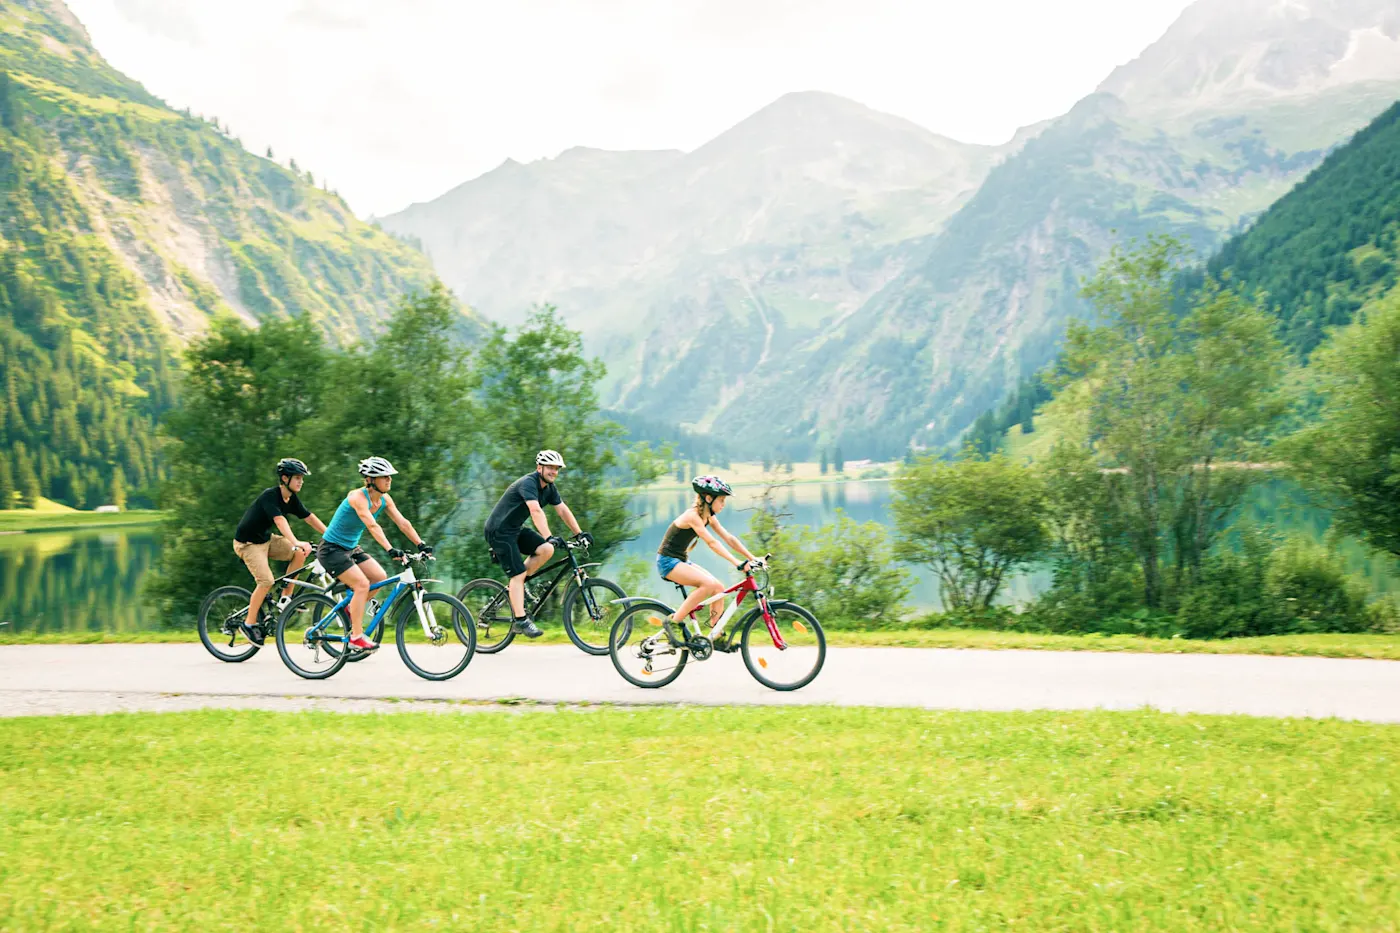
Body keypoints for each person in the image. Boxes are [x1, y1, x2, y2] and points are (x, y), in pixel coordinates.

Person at [317, 456, 429, 652]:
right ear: (370, 479)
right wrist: (390, 549)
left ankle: (350, 608)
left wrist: (421, 544)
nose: (389, 480)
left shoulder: (384, 499)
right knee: (361, 584)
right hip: (331, 549)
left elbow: (403, 523)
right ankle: (356, 637)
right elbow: (371, 525)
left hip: (351, 548)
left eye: (389, 477)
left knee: (379, 576)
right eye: (384, 477)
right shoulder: (357, 498)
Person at [483, 449, 590, 638]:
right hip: (498, 532)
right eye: (550, 467)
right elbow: (535, 511)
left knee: (546, 550)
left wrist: (579, 533)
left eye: (557, 469)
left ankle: (517, 587)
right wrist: (548, 535)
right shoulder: (528, 483)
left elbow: (563, 510)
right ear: (539, 467)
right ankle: (520, 620)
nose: (554, 472)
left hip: (514, 530)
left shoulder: (549, 488)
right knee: (518, 573)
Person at [232, 457, 328, 646]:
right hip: (247, 544)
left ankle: (286, 597)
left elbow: (309, 517)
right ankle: (249, 624)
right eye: (297, 477)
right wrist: (295, 541)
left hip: (266, 540)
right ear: (285, 478)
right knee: (266, 581)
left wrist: (332, 535)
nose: (301, 481)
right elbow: (280, 521)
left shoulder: (291, 498)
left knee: (300, 553)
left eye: (302, 478)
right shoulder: (270, 496)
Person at [655, 475, 761, 644]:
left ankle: (716, 634)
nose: (724, 504)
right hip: (668, 562)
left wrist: (752, 558)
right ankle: (674, 622)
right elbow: (712, 543)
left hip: (680, 560)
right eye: (721, 500)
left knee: (719, 587)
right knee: (708, 585)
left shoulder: (708, 516)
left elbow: (729, 538)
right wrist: (737, 563)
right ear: (709, 498)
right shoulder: (693, 516)